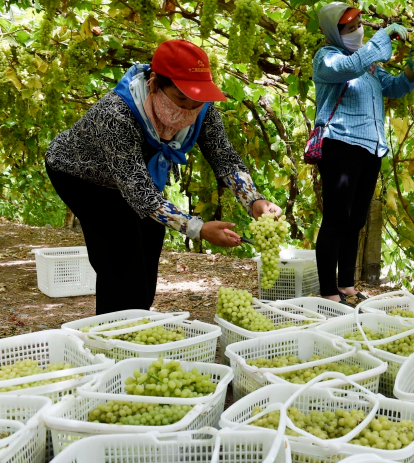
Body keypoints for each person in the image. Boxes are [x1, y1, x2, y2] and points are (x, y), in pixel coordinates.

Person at [45, 39, 282, 314]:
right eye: (181, 98)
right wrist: (198, 229)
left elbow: (224, 157)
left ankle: (138, 316)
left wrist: (253, 200)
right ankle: (115, 329)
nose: (189, 109)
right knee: (120, 250)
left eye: (197, 101)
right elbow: (141, 194)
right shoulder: (116, 114)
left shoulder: (201, 109)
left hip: (136, 177)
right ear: (155, 84)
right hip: (82, 177)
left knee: (150, 239)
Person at [313, 2, 414, 304]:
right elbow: (350, 67)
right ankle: (328, 292)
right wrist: (384, 37)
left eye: (359, 25)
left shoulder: (371, 64)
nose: (358, 31)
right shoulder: (328, 58)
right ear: (334, 33)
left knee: (356, 220)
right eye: (350, 29)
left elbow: (395, 88)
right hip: (340, 144)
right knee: (336, 218)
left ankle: (347, 285)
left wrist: (413, 66)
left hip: (371, 148)